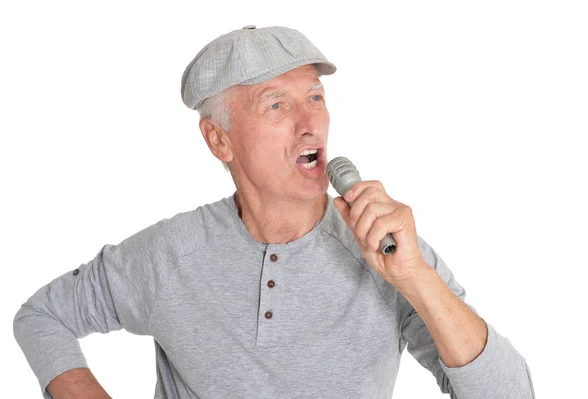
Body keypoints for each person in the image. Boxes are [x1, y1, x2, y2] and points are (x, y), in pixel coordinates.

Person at [14, 25, 535, 399]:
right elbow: (42, 316)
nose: (311, 123)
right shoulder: (170, 255)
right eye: (277, 105)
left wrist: (418, 279)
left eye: (315, 96)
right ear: (219, 139)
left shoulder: (388, 253)